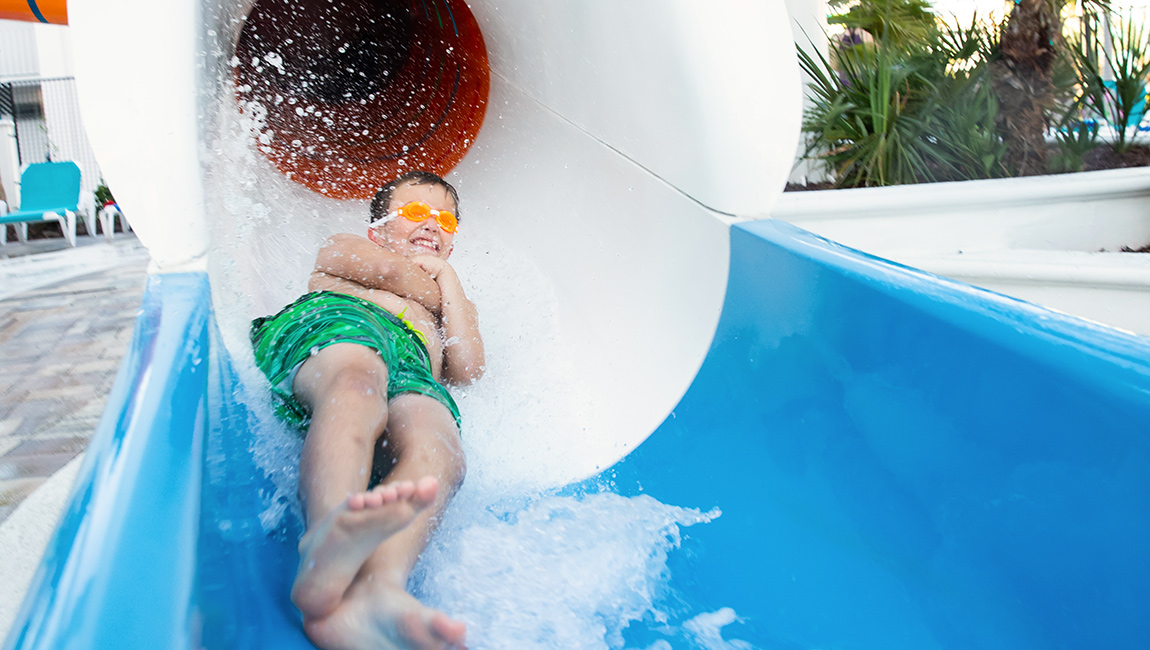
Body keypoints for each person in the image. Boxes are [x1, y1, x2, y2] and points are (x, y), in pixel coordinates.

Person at [250, 170, 484, 650]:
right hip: (341, 324)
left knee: (440, 449)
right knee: (357, 384)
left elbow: (468, 367)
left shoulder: (452, 298)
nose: (431, 225)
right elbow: (389, 274)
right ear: (378, 230)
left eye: (444, 220)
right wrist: (438, 289)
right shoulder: (346, 248)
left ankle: (378, 591)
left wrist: (452, 283)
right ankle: (325, 544)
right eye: (416, 213)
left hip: (412, 367)